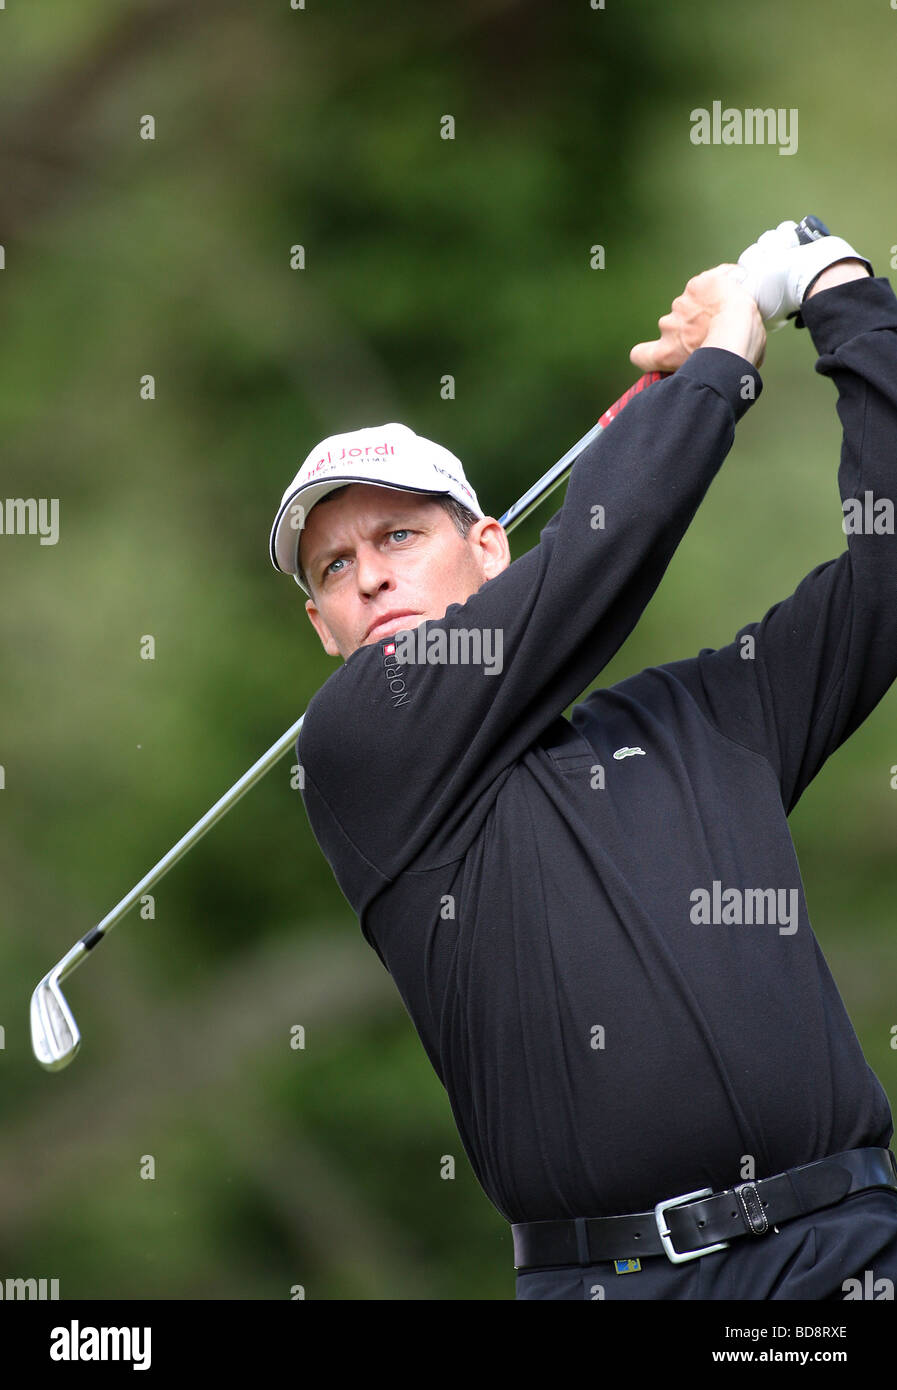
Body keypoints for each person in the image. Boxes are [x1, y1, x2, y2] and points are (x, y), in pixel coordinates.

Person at [268, 223, 897, 1300]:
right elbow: (605, 548)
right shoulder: (356, 749)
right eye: (334, 565)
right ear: (324, 626)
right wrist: (721, 365)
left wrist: (835, 290)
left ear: (491, 548)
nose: (368, 577)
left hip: (848, 1254)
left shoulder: (709, 717)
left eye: (401, 537)